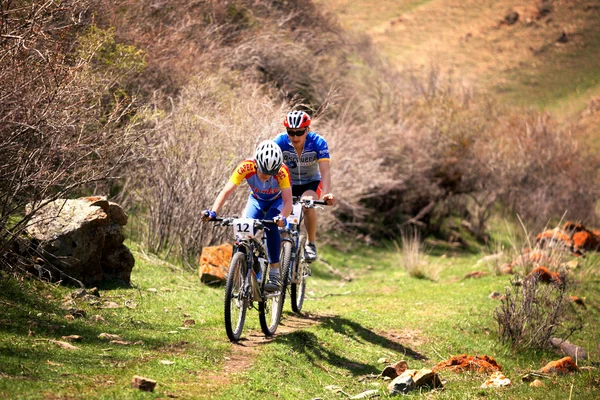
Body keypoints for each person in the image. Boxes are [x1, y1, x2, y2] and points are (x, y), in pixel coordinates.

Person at [202, 140, 292, 292]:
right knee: (243, 235)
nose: (266, 177)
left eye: (271, 174)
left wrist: (283, 217)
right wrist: (213, 212)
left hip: (276, 202)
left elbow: (288, 200)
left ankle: (275, 273)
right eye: (264, 172)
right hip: (256, 201)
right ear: (256, 164)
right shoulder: (246, 166)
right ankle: (250, 269)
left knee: (271, 226)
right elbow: (226, 192)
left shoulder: (282, 171)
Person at [273, 110, 335, 262]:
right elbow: (270, 165)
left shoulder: (318, 142)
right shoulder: (280, 141)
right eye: (291, 132)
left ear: (307, 130)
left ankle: (311, 243)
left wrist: (327, 193)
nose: (295, 137)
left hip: (311, 183)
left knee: (308, 205)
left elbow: (325, 171)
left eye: (299, 132)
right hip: (288, 183)